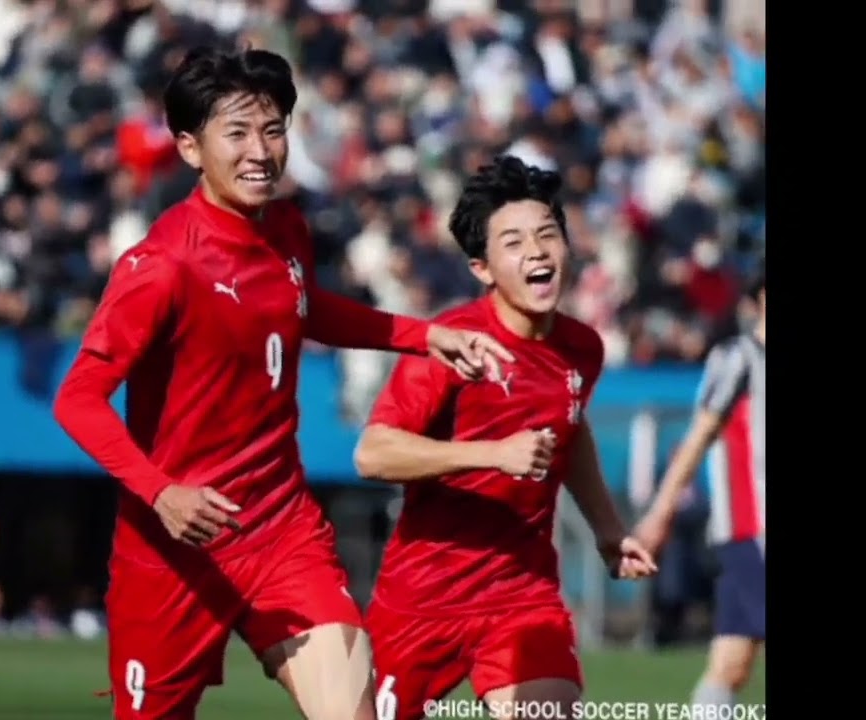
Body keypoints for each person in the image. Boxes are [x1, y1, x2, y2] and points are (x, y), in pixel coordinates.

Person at [52, 46, 512, 720]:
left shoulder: (288, 229)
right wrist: (162, 493)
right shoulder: (161, 264)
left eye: (273, 130)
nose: (260, 151)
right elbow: (78, 398)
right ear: (189, 148)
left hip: (278, 528)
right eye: (236, 133)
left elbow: (302, 308)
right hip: (175, 547)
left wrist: (426, 335)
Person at [352, 155, 658, 720]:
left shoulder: (582, 348)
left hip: (523, 592)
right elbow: (372, 453)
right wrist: (493, 456)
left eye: (547, 235)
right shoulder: (454, 344)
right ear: (482, 268)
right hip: (422, 597)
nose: (537, 251)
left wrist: (609, 531)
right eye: (514, 242)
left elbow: (572, 428)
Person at [633, 262, 765, 713]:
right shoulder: (738, 358)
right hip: (751, 533)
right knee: (732, 659)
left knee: (733, 659)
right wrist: (660, 513)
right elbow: (698, 438)